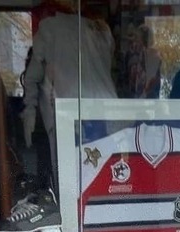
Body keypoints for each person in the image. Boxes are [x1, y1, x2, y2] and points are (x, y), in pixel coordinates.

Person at [22, 2, 117, 188]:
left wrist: (29, 111)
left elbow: (32, 77)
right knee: (102, 176)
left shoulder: (50, 27)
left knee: (69, 178)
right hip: (103, 112)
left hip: (67, 114)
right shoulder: (101, 30)